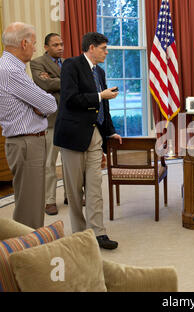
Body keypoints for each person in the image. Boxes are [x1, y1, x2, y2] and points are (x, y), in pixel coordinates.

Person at [54, 32, 121, 250]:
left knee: (94, 187)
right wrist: (100, 96)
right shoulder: (71, 66)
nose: (106, 52)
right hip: (72, 136)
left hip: (94, 135)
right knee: (75, 191)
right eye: (103, 48)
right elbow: (70, 100)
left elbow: (104, 107)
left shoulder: (99, 71)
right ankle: (80, 235)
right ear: (91, 48)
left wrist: (110, 132)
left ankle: (98, 233)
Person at [0, 22, 57, 229]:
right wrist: (39, 105)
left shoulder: (10, 68)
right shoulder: (11, 71)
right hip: (27, 143)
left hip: (28, 142)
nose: (35, 48)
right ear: (24, 43)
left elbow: (43, 104)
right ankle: (26, 251)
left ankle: (27, 247)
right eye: (35, 43)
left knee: (32, 202)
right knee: (30, 208)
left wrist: (38, 105)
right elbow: (50, 103)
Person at [30, 33, 66, 216]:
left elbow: (55, 83)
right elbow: (44, 85)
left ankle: (72, 194)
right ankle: (50, 200)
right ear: (46, 47)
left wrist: (54, 81)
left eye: (61, 44)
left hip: (69, 119)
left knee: (70, 161)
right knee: (49, 163)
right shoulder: (37, 63)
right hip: (51, 120)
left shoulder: (68, 63)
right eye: (55, 45)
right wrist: (65, 82)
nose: (60, 47)